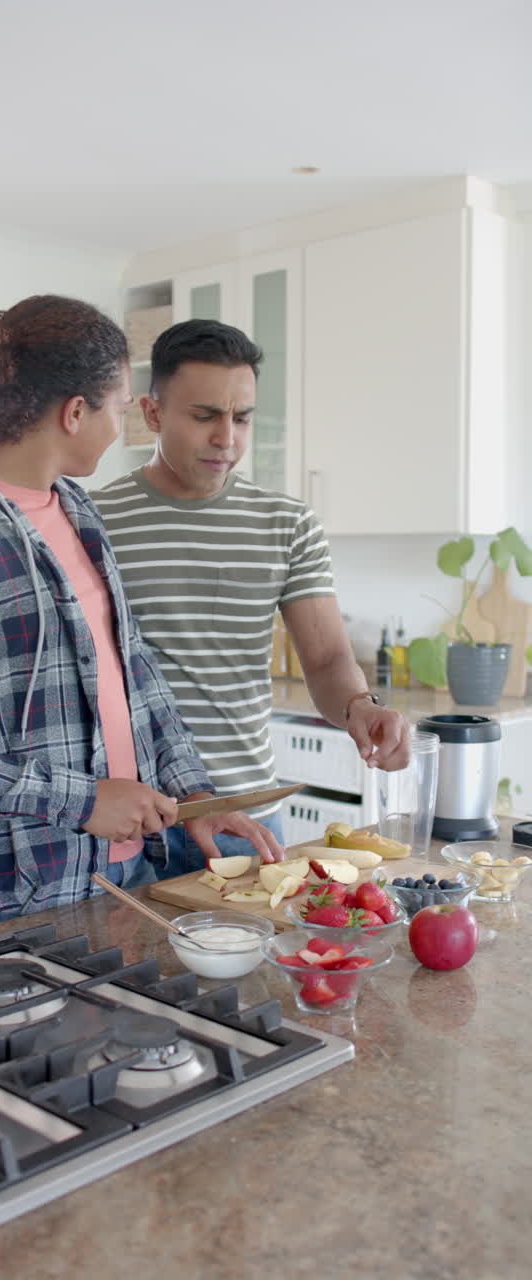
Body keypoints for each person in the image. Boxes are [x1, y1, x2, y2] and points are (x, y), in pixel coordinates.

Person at [0, 298, 286, 937]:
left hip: (125, 874)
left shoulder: (75, 510)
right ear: (76, 412)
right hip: (5, 897)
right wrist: (80, 801)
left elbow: (134, 674)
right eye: (120, 407)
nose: (122, 426)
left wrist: (195, 798)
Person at [92, 319, 411, 879]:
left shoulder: (286, 524)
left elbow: (328, 660)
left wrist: (363, 707)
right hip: (134, 825)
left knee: (251, 969)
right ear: (152, 413)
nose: (227, 439)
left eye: (241, 418)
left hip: (249, 820)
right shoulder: (93, 518)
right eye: (205, 416)